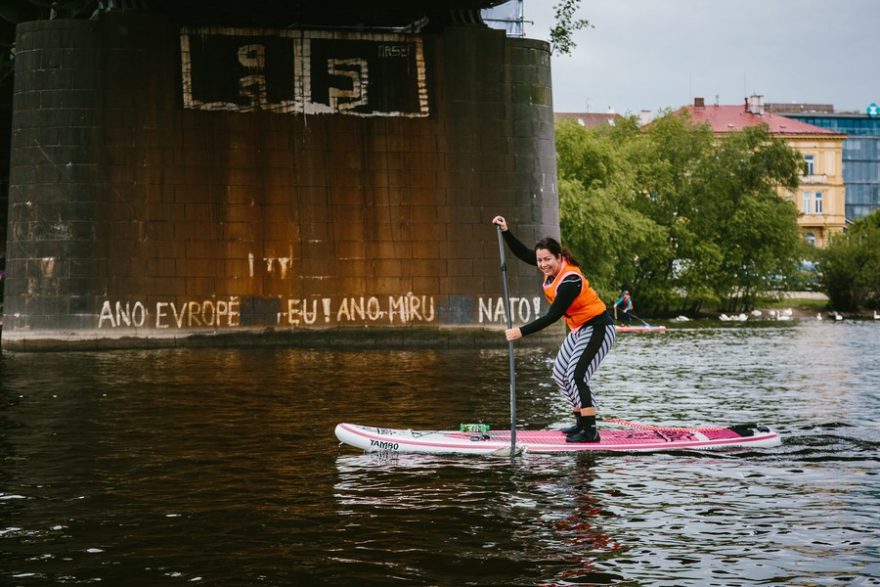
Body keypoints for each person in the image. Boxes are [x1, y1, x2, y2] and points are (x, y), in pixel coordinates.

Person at [492, 215, 616, 443]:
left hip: (599, 327)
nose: (542, 264)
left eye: (547, 259)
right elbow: (523, 254)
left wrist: (521, 332)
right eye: (540, 261)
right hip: (580, 329)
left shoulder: (570, 281)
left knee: (577, 375)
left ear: (560, 257)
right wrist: (506, 231)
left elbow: (553, 316)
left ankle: (590, 431)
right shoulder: (549, 267)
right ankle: (580, 420)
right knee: (560, 374)